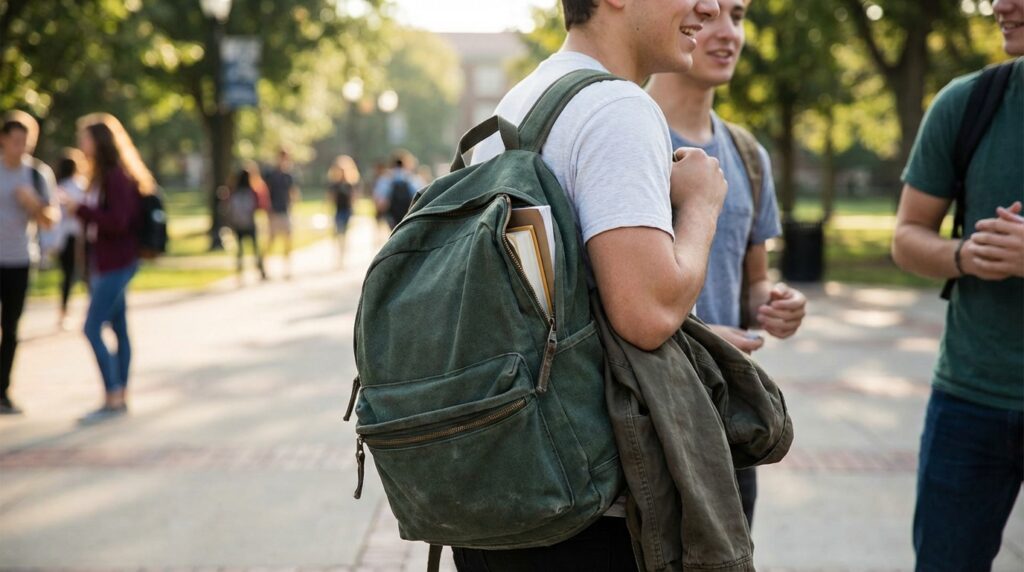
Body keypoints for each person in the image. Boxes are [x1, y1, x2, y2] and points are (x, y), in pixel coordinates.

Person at [460, 0, 726, 567]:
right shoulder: (617, 109)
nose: (708, 7)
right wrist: (702, 204)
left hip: (502, 490)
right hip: (584, 511)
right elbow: (647, 314)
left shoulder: (520, 103)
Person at [648, 0, 807, 528]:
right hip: (648, 418)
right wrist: (695, 339)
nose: (727, 32)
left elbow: (754, 281)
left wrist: (776, 302)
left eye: (737, 16)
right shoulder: (626, 136)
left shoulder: (748, 154)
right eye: (711, 14)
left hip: (729, 421)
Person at [891, 1, 1023, 569]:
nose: (999, 5)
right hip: (968, 402)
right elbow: (906, 237)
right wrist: (965, 255)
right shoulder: (967, 102)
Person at [65, 112, 154, 424]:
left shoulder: (115, 176)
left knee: (91, 328)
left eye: (85, 138)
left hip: (117, 261)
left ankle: (113, 392)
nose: (81, 143)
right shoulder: (101, 175)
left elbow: (118, 221)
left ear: (99, 141)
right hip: (106, 260)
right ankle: (119, 395)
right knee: (119, 328)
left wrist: (80, 210)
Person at [0, 110, 58, 415]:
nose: (21, 148)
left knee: (10, 329)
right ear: (3, 140)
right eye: (16, 141)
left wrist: (34, 205)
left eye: (27, 142)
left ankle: (3, 391)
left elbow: (50, 221)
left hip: (20, 259)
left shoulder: (37, 174)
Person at [52, 148, 90, 330]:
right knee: (83, 274)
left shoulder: (59, 187)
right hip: (78, 237)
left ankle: (64, 312)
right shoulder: (80, 186)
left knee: (68, 275)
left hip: (66, 238)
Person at [224, 165, 267, 282]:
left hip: (238, 224)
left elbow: (228, 207)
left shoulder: (234, 192)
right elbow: (259, 206)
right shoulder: (252, 191)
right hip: (250, 223)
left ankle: (239, 273)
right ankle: (261, 271)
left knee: (240, 251)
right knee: (256, 249)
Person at [263, 148, 300, 279]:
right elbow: (266, 194)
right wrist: (268, 211)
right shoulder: (270, 175)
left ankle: (287, 269)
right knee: (270, 241)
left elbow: (292, 193)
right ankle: (264, 267)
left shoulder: (288, 176)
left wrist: (293, 207)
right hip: (274, 212)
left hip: (285, 212)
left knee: (288, 241)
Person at [373, 151, 423, 230]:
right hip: (407, 212)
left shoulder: (386, 177)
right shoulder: (412, 178)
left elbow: (380, 199)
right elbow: (419, 194)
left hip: (392, 213)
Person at [326, 154, 359, 266]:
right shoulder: (334, 184)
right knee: (338, 233)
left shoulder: (349, 184)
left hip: (346, 211)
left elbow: (353, 198)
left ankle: (342, 255)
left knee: (343, 233)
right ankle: (338, 254)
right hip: (338, 211)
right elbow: (330, 198)